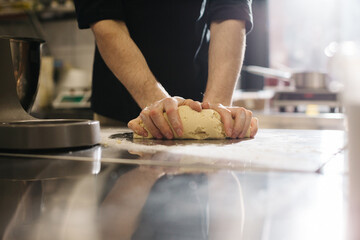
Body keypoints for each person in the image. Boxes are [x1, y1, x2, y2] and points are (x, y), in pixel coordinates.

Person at [73, 0, 259, 139]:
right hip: (121, 109)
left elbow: (230, 13)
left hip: (199, 100)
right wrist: (159, 107)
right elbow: (104, 19)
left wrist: (215, 112)